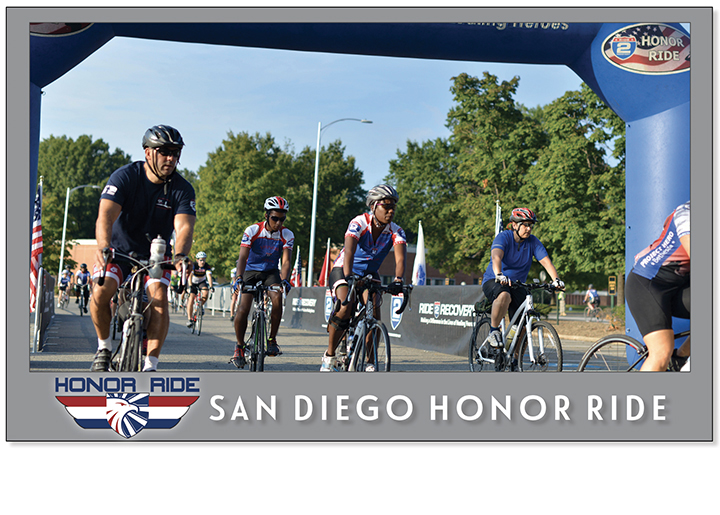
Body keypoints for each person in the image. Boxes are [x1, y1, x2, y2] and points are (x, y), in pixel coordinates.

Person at [89, 124, 196, 372]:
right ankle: (104, 348)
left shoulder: (182, 188)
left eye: (175, 152)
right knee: (100, 293)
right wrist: (104, 247)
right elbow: (105, 216)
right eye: (164, 151)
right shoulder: (125, 176)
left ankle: (151, 364)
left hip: (156, 256)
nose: (171, 158)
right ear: (148, 152)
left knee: (159, 300)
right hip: (119, 250)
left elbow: (184, 228)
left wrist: (180, 256)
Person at [320, 184, 407, 372]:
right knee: (345, 307)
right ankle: (329, 355)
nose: (391, 211)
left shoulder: (396, 231)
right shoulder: (359, 223)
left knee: (374, 314)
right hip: (344, 268)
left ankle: (370, 360)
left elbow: (400, 259)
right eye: (386, 206)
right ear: (374, 206)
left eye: (393, 207)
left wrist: (398, 280)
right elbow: (349, 251)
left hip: (369, 274)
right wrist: (349, 276)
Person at [480, 208, 564, 362]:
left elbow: (546, 262)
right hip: (495, 280)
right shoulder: (503, 237)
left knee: (524, 324)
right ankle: (493, 331)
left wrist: (556, 280)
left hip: (517, 285)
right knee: (504, 295)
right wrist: (499, 274)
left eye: (531, 225)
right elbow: (496, 256)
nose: (529, 228)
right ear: (514, 225)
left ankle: (515, 361)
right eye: (524, 224)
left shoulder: (533, 242)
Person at [230, 196, 294, 368]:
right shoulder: (252, 230)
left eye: (282, 219)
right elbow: (242, 257)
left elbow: (286, 261)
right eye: (275, 218)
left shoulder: (287, 234)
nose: (278, 223)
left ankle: (272, 339)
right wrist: (239, 278)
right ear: (266, 215)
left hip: (270, 272)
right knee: (243, 308)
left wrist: (284, 280)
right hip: (250, 270)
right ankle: (239, 346)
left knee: (277, 298)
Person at [626, 201, 690, 371]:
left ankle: (681, 358)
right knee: (661, 351)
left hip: (678, 285)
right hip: (648, 284)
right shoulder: (687, 214)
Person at [186, 251, 214, 327]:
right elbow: (190, 276)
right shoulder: (194, 265)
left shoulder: (207, 266)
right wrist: (190, 285)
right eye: (201, 260)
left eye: (204, 260)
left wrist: (211, 286)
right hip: (193, 282)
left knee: (205, 293)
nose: (202, 261)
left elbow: (209, 276)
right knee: (191, 299)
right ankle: (189, 319)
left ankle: (200, 306)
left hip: (201, 281)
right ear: (197, 260)